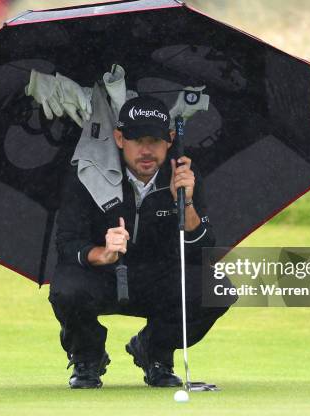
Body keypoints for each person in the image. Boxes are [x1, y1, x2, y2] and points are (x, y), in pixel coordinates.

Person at [49, 95, 232, 389]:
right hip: (103, 277)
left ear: (170, 139)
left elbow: (202, 249)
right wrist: (102, 253)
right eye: (137, 140)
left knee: (217, 287)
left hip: (158, 278)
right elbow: (68, 243)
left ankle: (154, 351)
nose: (146, 151)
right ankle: (87, 356)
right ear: (120, 138)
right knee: (67, 288)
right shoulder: (88, 174)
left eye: (155, 141)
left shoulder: (183, 175)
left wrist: (183, 203)